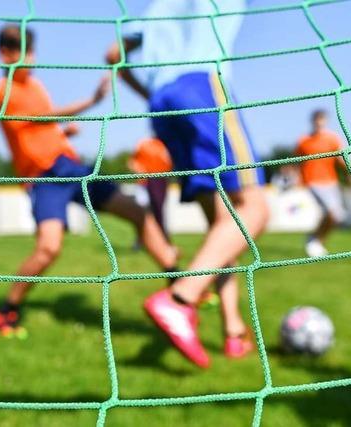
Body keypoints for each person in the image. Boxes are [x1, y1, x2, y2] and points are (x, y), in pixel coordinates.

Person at [106, 0, 270, 368]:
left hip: (163, 105)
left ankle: (232, 330)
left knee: (223, 228)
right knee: (254, 209)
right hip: (201, 86)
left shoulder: (156, 7)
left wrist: (149, 92)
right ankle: (180, 299)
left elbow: (113, 54)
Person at [0, 25, 178, 337]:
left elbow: (39, 129)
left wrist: (63, 133)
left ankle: (179, 283)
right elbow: (41, 120)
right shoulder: (3, 90)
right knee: (48, 249)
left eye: (31, 49)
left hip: (70, 166)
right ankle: (7, 309)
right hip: (44, 178)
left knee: (136, 210)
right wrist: (90, 102)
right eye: (21, 49)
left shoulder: (35, 87)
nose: (30, 57)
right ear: (4, 54)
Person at [295, 110, 347, 257]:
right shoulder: (304, 140)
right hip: (312, 181)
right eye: (317, 120)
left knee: (337, 216)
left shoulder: (332, 138)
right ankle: (315, 241)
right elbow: (296, 162)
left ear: (325, 121)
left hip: (331, 181)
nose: (319, 123)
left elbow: (341, 159)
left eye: (322, 120)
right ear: (312, 121)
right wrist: (296, 179)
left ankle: (316, 240)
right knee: (331, 212)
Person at [128, 137, 173, 241]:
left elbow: (169, 161)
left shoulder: (164, 144)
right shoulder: (143, 144)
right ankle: (141, 239)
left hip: (160, 179)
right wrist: (139, 170)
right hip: (145, 180)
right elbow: (132, 161)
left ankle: (163, 239)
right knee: (143, 210)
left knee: (158, 209)